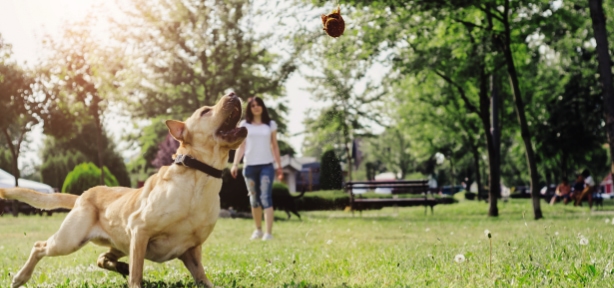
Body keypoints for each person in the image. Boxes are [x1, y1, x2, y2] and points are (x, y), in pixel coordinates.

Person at [231, 96, 283, 241]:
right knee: (254, 199)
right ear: (250, 108)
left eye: (258, 104)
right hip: (249, 166)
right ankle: (258, 230)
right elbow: (241, 146)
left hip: (267, 165)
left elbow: (275, 146)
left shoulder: (270, 125)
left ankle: (268, 233)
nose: (256, 107)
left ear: (262, 107)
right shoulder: (245, 124)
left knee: (266, 197)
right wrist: (235, 164)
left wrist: (279, 166)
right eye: (253, 105)